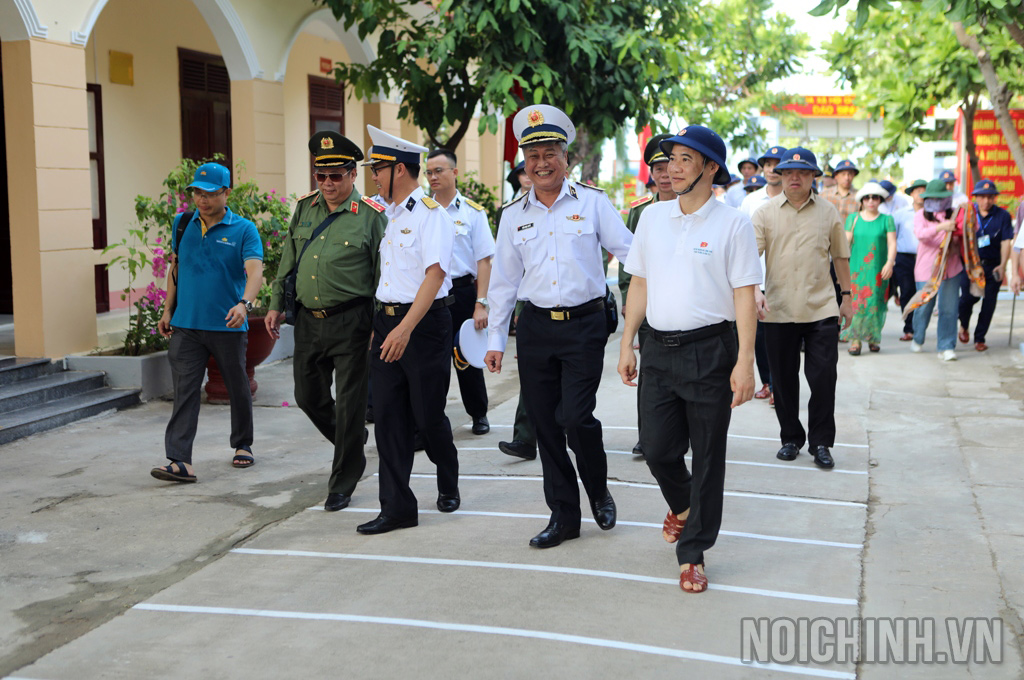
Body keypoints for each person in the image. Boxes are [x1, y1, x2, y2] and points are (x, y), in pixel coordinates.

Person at [617, 125, 760, 594]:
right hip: (657, 349)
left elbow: (744, 295)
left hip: (711, 352)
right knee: (657, 450)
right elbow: (638, 283)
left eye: (684, 159)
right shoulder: (653, 219)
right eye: (669, 159)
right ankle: (683, 509)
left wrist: (745, 361)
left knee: (708, 456)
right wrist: (627, 342)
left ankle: (692, 552)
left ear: (710, 168)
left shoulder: (733, 223)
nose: (672, 168)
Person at [485, 104, 633, 549]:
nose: (542, 163)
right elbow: (505, 281)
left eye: (550, 152)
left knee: (575, 417)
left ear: (566, 157)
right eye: (533, 155)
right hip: (534, 329)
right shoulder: (513, 215)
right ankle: (564, 516)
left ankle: (598, 488)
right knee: (546, 426)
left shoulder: (593, 202)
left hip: (585, 325)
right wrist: (494, 338)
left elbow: (631, 252)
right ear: (524, 164)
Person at [263, 133, 384, 511]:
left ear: (352, 175)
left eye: (337, 175)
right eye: (321, 176)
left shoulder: (371, 216)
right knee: (307, 396)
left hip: (353, 320)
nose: (329, 183)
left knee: (350, 404)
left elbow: (383, 275)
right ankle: (352, 443)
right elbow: (290, 258)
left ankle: (342, 481)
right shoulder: (304, 209)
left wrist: (378, 326)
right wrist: (274, 303)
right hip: (309, 322)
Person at [358, 125, 460, 535]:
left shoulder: (431, 216)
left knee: (427, 416)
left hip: (423, 326)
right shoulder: (391, 214)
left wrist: (403, 330)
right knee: (387, 417)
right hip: (387, 323)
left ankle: (447, 471)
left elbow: (434, 276)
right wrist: (381, 326)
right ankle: (397, 506)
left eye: (378, 169)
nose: (373, 177)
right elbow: (392, 275)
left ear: (398, 169)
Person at [151, 163, 263, 483]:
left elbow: (254, 270)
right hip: (186, 324)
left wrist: (245, 304)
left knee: (237, 386)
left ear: (226, 192)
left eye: (210, 193)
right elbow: (176, 268)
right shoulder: (182, 223)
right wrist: (167, 308)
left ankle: (243, 444)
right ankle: (179, 460)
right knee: (184, 390)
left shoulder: (243, 229)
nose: (202, 199)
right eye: (198, 192)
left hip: (227, 323)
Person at [752, 147, 853, 470]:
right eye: (788, 173)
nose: (794, 178)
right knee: (782, 380)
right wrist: (754, 290)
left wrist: (847, 296)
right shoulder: (765, 213)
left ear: (813, 177)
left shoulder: (828, 212)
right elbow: (748, 258)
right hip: (778, 309)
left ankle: (821, 442)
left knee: (823, 378)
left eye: (803, 173)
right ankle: (790, 438)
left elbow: (840, 256)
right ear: (780, 176)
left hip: (821, 308)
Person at [425, 149, 496, 433]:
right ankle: (432, 418)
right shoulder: (422, 210)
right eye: (429, 172)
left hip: (464, 292)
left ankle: (478, 413)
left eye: (439, 171)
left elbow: (484, 261)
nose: (433, 177)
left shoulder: (472, 213)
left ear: (455, 172)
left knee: (466, 356)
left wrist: (481, 302)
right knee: (432, 360)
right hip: (430, 295)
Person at [618, 132, 674, 458]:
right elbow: (629, 261)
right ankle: (646, 435)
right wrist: (628, 299)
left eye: (669, 167)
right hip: (647, 305)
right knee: (649, 373)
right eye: (658, 170)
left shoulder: (695, 208)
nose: (665, 175)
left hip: (681, 306)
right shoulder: (640, 212)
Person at [742, 146, 786, 404]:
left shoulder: (796, 199)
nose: (771, 168)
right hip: (756, 280)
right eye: (767, 164)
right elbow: (740, 241)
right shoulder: (751, 201)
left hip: (785, 281)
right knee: (758, 337)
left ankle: (781, 385)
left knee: (782, 337)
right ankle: (768, 382)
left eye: (776, 163)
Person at [909, 179, 969, 361]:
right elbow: (921, 234)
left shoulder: (955, 213)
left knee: (949, 309)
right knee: (924, 307)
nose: (937, 201)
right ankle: (918, 337)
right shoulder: (921, 215)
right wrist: (941, 228)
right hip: (928, 270)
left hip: (951, 268)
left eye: (941, 197)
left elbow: (964, 237)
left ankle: (946, 346)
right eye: (933, 197)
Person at [957, 179, 1014, 352]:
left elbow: (1006, 241)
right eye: (982, 197)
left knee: (989, 303)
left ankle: (980, 338)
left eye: (990, 197)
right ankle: (964, 325)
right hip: (970, 266)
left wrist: (1003, 265)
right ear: (976, 197)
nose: (986, 201)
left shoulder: (1002, 216)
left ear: (994, 198)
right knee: (967, 299)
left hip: (993, 266)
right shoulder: (967, 213)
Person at [843, 182, 896, 355]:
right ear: (862, 200)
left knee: (875, 305)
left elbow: (892, 243)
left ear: (880, 200)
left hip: (879, 271)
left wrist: (889, 262)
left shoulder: (887, 220)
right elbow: (845, 244)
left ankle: (873, 337)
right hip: (857, 270)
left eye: (875, 197)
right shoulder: (853, 219)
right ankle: (856, 340)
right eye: (867, 197)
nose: (871, 201)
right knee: (857, 305)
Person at [892, 179, 926, 341]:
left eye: (924, 191)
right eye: (918, 191)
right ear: (912, 194)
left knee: (923, 293)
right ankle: (909, 329)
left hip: (925, 258)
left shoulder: (932, 214)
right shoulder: (901, 214)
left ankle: (920, 328)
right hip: (904, 258)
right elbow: (893, 238)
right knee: (906, 292)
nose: (921, 194)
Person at [821, 159, 859, 226]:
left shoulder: (859, 197)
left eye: (850, 174)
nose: (847, 178)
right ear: (836, 176)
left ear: (854, 176)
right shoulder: (824, 195)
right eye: (843, 174)